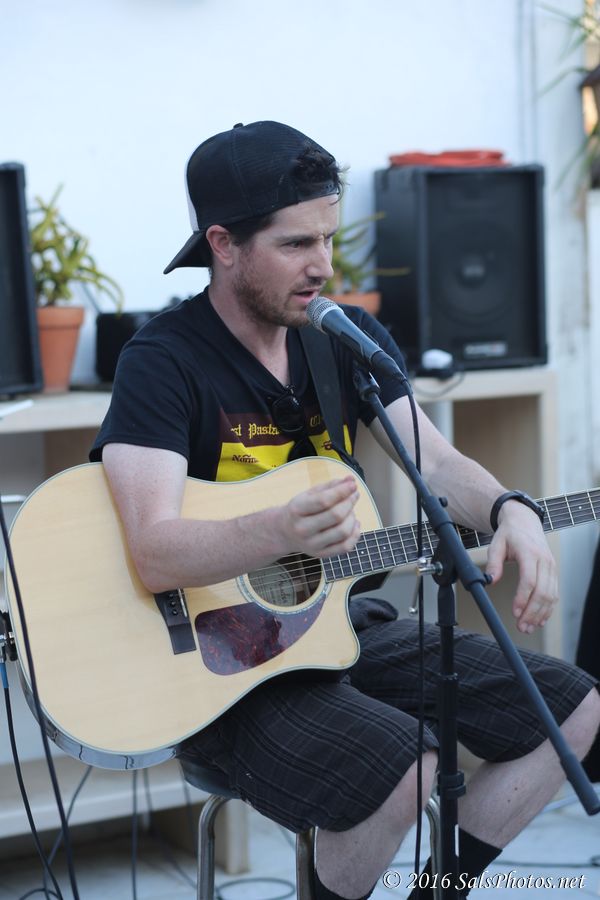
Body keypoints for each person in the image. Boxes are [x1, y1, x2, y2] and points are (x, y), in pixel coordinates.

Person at [90, 121, 600, 900]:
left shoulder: (345, 340)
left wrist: (510, 509)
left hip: (338, 629)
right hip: (216, 670)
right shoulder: (162, 361)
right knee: (406, 768)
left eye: (327, 238)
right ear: (223, 245)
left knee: (572, 710)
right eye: (296, 244)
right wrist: (274, 531)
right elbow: (153, 550)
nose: (323, 266)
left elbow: (437, 463)